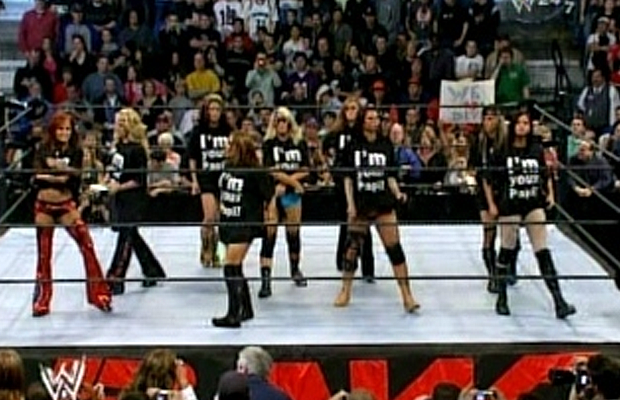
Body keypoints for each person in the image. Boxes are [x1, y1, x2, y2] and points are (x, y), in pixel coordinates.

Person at [485, 112, 576, 318]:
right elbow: (488, 178)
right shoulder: (502, 150)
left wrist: (550, 194)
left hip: (533, 203)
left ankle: (559, 301)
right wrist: (492, 205)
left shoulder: (535, 149)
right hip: (510, 204)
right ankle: (502, 298)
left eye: (526, 123)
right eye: (518, 123)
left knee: (543, 251)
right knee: (506, 249)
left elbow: (545, 174)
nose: (522, 126)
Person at [334, 106, 420, 312]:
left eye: (376, 118)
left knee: (395, 249)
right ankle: (345, 289)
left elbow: (390, 175)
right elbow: (348, 178)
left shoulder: (385, 145)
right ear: (363, 121)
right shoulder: (353, 145)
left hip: (382, 202)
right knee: (351, 248)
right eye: (370, 118)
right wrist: (350, 204)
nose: (375, 122)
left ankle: (407, 295)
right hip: (361, 202)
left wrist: (397, 193)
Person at [32, 111, 111, 317]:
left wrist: (54, 173)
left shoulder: (76, 150)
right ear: (54, 130)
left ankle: (99, 294)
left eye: (67, 129)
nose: (64, 133)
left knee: (86, 242)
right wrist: (55, 175)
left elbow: (72, 177)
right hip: (44, 204)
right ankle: (42, 300)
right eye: (61, 129)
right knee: (44, 252)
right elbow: (36, 175)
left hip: (66, 203)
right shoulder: (42, 148)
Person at [212, 132, 274, 328]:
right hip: (228, 220)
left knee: (230, 266)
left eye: (230, 144)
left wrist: (270, 220)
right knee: (235, 267)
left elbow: (270, 196)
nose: (225, 147)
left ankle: (233, 314)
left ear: (239, 147)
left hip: (245, 223)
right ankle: (246, 309)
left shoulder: (255, 172)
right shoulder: (228, 166)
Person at [105, 108, 166, 295]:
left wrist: (119, 187)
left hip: (133, 198)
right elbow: (114, 170)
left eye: (122, 122)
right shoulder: (118, 147)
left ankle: (116, 277)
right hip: (120, 197)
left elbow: (139, 179)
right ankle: (152, 270)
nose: (118, 126)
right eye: (117, 122)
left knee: (126, 236)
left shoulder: (137, 149)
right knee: (132, 235)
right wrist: (105, 183)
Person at [258, 107, 309, 297]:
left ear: (290, 123)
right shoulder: (268, 144)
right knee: (269, 234)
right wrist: (293, 182)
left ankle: (295, 269)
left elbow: (306, 169)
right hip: (272, 193)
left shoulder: (299, 143)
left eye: (284, 120)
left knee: (293, 233)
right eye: (278, 120)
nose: (281, 124)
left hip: (291, 193)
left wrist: (289, 183)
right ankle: (266, 281)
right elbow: (271, 170)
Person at [323, 97, 375, 282]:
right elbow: (324, 149)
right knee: (345, 222)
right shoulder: (336, 133)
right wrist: (331, 169)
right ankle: (343, 261)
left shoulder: (363, 133)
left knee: (364, 224)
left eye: (354, 108)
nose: (351, 112)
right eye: (348, 108)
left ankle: (368, 269)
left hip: (361, 182)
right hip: (341, 182)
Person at [188, 94, 232, 268]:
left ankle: (219, 253)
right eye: (211, 109)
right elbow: (192, 158)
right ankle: (207, 248)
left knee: (223, 218)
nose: (214, 113)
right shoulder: (198, 131)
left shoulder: (227, 130)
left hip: (224, 178)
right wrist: (194, 180)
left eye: (217, 109)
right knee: (209, 217)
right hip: (206, 177)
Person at [470, 106, 507, 294]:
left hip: (505, 190)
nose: (488, 122)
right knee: (489, 233)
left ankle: (508, 269)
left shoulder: (505, 141)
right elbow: (476, 168)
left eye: (492, 118)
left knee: (510, 235)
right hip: (485, 190)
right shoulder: (479, 142)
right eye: (486, 118)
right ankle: (492, 276)